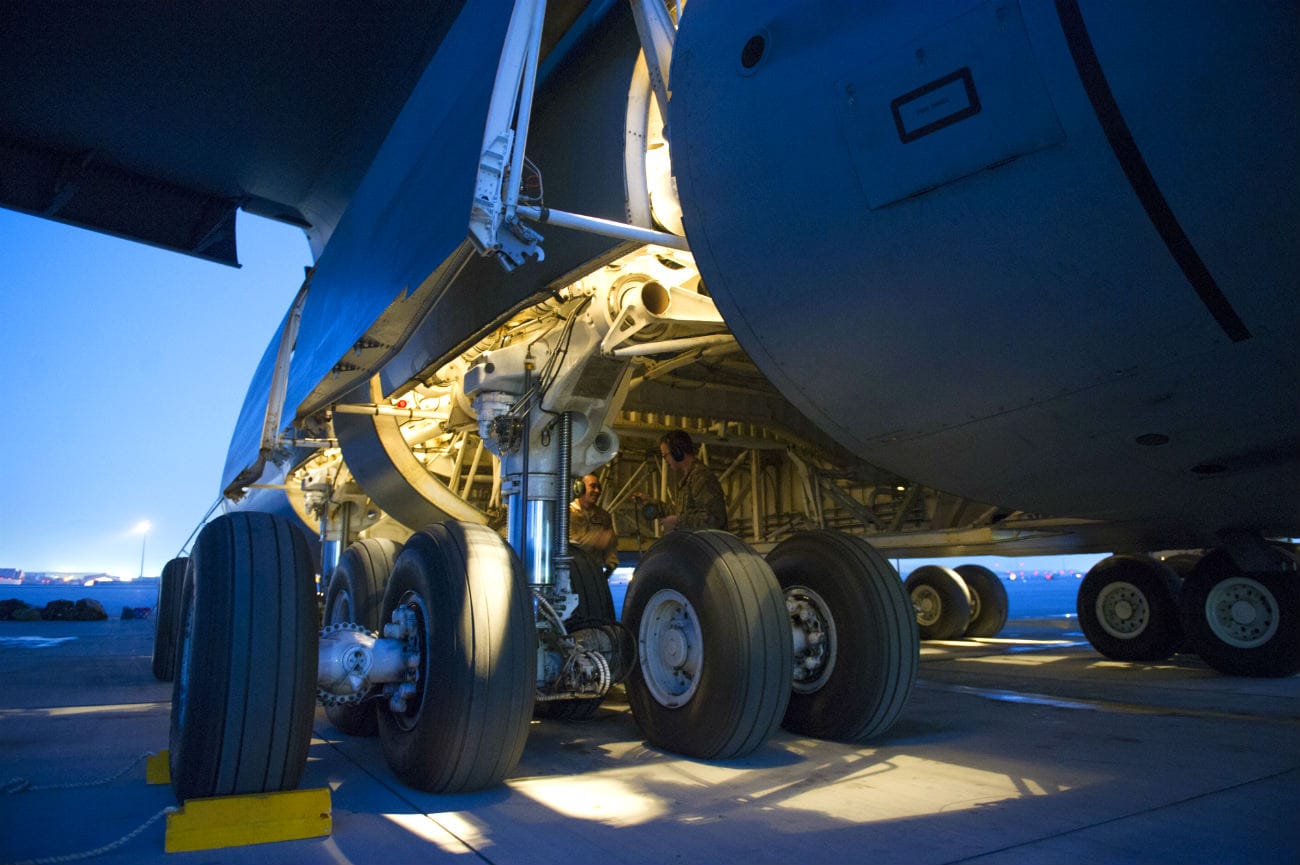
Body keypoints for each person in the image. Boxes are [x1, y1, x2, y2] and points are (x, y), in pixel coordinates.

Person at [636, 430, 728, 532]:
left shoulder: (701, 477)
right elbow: (680, 513)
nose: (665, 460)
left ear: (677, 452)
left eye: (665, 455)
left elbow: (714, 520)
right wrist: (651, 503)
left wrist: (677, 522)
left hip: (705, 546)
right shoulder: (689, 478)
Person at [569, 473, 619, 574]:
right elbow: (572, 545)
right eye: (593, 486)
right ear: (580, 488)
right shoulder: (566, 513)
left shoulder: (604, 516)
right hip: (572, 573)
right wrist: (597, 538)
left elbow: (611, 548)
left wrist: (610, 566)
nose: (597, 491)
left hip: (594, 573)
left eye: (599, 487)